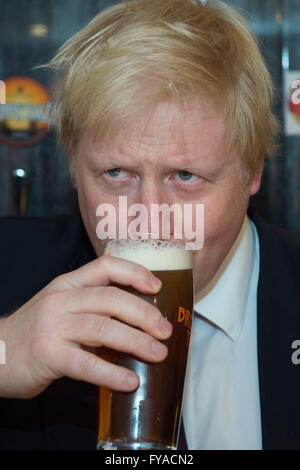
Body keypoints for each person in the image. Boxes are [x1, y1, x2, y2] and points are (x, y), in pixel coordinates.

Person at [0, 0, 299, 450]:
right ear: (74, 171)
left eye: (185, 176)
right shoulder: (14, 273)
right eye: (117, 173)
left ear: (253, 171)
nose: (148, 219)